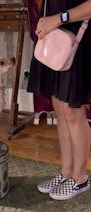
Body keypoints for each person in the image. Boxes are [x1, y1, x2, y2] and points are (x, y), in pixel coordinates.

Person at [27, 0, 91, 200]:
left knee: (73, 110)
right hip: (54, 35)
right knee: (59, 107)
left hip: (80, 34)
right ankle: (66, 172)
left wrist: (59, 18)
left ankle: (80, 178)